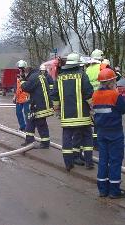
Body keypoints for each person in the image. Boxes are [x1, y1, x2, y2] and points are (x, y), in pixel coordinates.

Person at [52, 52, 94, 171]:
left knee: (67, 138)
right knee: (87, 137)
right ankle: (89, 163)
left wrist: (57, 110)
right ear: (78, 65)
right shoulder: (82, 75)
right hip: (83, 115)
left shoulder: (59, 77)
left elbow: (55, 95)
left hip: (66, 115)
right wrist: (92, 106)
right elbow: (88, 93)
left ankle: (68, 164)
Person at [92, 68, 125, 198]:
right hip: (115, 132)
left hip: (101, 132)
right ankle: (114, 191)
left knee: (103, 160)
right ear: (111, 81)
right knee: (115, 161)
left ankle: (102, 189)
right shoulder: (114, 95)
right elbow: (122, 109)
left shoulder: (95, 95)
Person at [19, 62, 54, 149]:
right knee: (31, 121)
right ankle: (29, 140)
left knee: (41, 123)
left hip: (40, 105)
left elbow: (26, 87)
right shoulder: (37, 75)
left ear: (27, 72)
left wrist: (22, 81)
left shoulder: (33, 77)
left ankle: (45, 143)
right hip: (39, 103)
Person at [13, 60, 30, 132]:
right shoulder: (18, 76)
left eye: (21, 68)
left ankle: (28, 127)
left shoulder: (28, 76)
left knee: (27, 113)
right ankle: (22, 126)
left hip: (26, 98)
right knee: (18, 112)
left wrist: (29, 96)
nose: (19, 69)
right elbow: (17, 87)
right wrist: (14, 96)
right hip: (19, 98)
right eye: (19, 68)